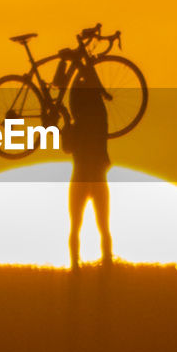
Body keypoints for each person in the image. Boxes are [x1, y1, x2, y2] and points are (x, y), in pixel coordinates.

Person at [65, 65, 112, 271]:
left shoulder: (76, 126)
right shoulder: (100, 121)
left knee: (76, 226)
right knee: (102, 226)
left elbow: (66, 148)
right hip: (97, 178)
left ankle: (76, 265)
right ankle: (106, 262)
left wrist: (64, 124)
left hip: (81, 178)